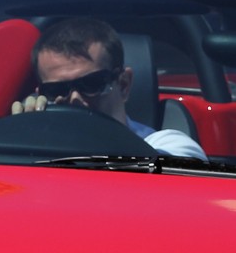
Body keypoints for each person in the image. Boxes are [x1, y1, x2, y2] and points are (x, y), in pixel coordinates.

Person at [12, 18, 208, 160]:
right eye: (57, 90)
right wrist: (22, 139)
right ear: (42, 94)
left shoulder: (170, 145)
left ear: (123, 85)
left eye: (91, 83)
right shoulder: (31, 147)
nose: (74, 99)